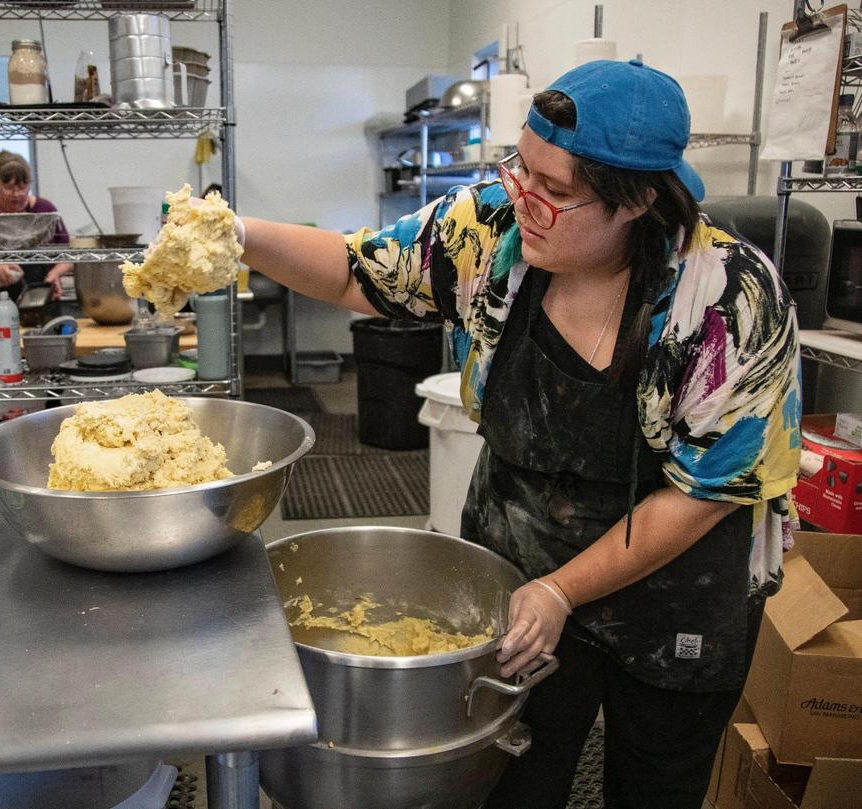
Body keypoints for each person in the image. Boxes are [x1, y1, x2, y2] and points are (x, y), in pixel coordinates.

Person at [222, 60, 801, 808]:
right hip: (519, 561)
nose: (521, 198)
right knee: (511, 775)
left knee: (657, 780)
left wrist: (564, 588)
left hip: (676, 588)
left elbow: (708, 491)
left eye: (553, 190)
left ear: (639, 200)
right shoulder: (492, 227)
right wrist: (232, 233)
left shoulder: (728, 302)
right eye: (519, 168)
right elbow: (356, 272)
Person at [0, 150, 73, 300]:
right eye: (9, 187)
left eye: (22, 187)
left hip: (39, 298)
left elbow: (70, 255)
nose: (16, 194)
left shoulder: (45, 210)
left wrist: (55, 274)